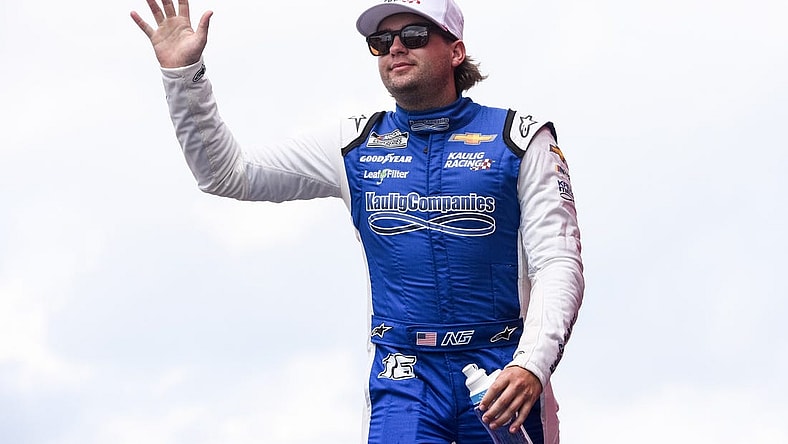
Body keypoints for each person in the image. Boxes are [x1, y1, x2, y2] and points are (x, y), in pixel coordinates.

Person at [131, 0, 584, 443]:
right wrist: (184, 77)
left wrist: (532, 364)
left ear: (456, 51)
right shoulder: (354, 144)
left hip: (502, 369)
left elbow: (559, 263)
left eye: (413, 35)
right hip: (404, 376)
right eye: (381, 41)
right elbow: (226, 174)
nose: (395, 49)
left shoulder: (521, 139)